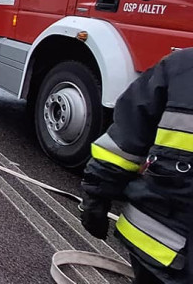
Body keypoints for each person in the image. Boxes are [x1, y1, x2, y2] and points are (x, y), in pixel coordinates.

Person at [80, 48, 193, 284]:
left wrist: (95, 198)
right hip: (163, 247)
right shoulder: (180, 66)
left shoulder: (181, 66)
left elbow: (123, 142)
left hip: (160, 248)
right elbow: (121, 146)